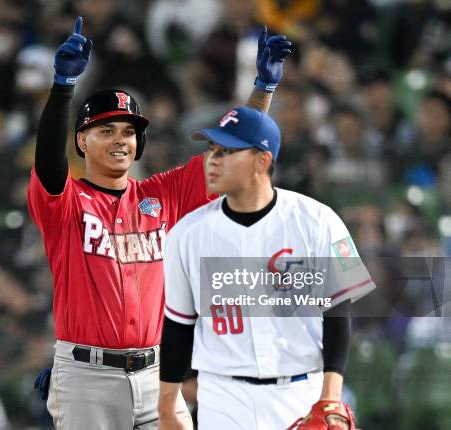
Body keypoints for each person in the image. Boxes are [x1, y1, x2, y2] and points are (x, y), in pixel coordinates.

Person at [28, 16, 291, 429]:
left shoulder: (162, 195)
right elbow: (47, 162)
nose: (120, 139)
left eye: (129, 132)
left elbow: (234, 151)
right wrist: (63, 89)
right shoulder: (67, 203)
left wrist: (264, 89)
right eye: (106, 130)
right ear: (82, 141)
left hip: (156, 375)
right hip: (87, 378)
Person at [158, 107, 376, 429]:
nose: (212, 160)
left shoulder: (317, 221)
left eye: (227, 151)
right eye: (211, 150)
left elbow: (337, 313)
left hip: (301, 391)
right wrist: (167, 407)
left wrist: (330, 396)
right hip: (221, 396)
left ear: (262, 160)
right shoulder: (186, 234)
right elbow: (177, 327)